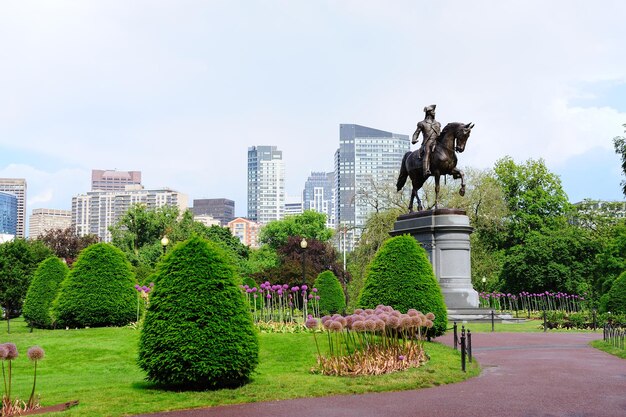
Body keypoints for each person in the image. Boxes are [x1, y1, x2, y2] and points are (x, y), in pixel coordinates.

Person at [412, 104, 441, 176]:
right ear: (428, 112)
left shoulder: (438, 124)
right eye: (433, 111)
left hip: (437, 142)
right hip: (427, 143)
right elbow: (416, 133)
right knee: (427, 151)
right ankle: (425, 170)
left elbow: (440, 134)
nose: (434, 112)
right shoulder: (422, 123)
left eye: (434, 111)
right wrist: (414, 139)